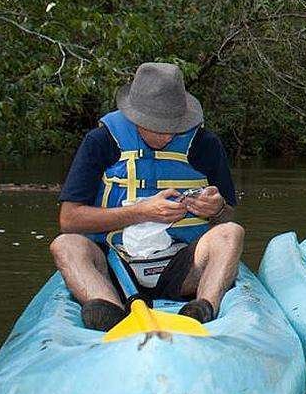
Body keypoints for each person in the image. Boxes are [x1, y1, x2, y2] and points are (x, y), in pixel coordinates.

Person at [51, 62, 244, 331]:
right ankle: (108, 311)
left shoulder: (206, 145)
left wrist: (216, 208)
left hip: (181, 266)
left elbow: (227, 216)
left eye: (173, 126)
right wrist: (141, 212)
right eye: (155, 126)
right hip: (114, 264)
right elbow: (69, 220)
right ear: (133, 116)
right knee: (65, 245)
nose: (165, 134)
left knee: (231, 233)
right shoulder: (101, 141)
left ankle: (203, 308)